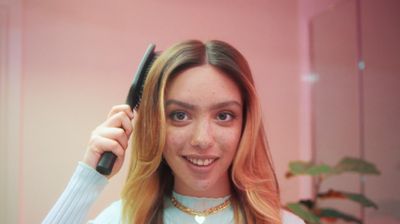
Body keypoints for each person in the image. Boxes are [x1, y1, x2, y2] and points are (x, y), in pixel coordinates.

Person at [43, 40, 304, 224]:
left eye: (224, 116)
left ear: (246, 125)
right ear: (156, 125)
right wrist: (89, 176)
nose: (202, 139)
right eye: (180, 116)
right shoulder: (124, 219)